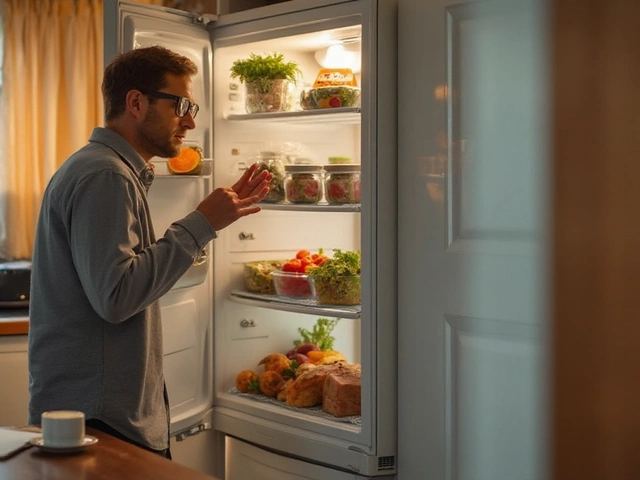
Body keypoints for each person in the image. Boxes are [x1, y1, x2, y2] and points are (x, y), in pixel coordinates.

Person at [27, 45, 272, 458]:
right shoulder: (106, 175)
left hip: (98, 413)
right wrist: (202, 223)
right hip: (99, 420)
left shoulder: (107, 170)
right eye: (180, 105)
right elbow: (116, 296)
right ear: (136, 102)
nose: (190, 121)